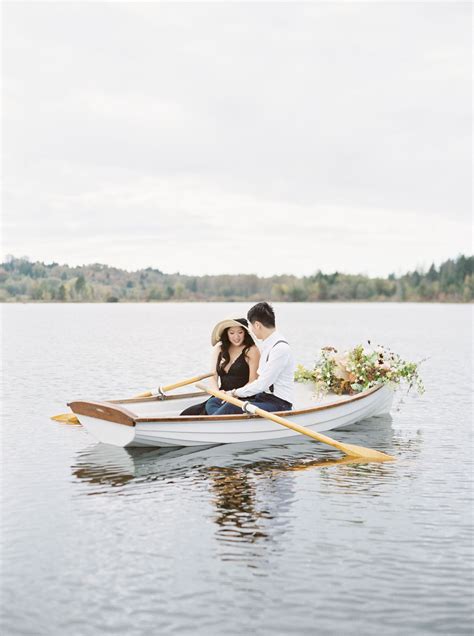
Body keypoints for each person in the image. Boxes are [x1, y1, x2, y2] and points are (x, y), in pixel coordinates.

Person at [207, 302, 295, 416]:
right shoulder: (267, 345)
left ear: (257, 325)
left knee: (232, 406)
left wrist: (233, 393)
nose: (251, 330)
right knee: (214, 402)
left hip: (279, 403)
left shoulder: (280, 349)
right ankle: (216, 421)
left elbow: (262, 384)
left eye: (251, 326)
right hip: (262, 397)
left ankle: (211, 426)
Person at [180, 318, 260, 416]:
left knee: (219, 411)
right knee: (187, 413)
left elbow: (253, 381)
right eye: (232, 333)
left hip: (243, 397)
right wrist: (218, 393)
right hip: (221, 396)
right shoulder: (219, 348)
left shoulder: (251, 350)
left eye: (240, 332)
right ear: (226, 333)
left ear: (245, 333)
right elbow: (213, 376)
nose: (236, 337)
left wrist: (235, 394)